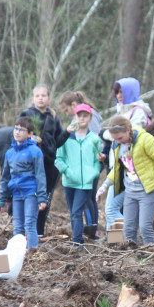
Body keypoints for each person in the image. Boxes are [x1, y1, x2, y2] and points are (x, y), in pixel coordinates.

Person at [97, 115, 154, 245]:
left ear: (128, 130)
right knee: (127, 228)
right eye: (115, 139)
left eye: (120, 138)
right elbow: (118, 168)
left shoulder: (144, 139)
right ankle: (122, 248)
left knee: (144, 227)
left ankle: (150, 252)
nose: (118, 141)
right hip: (129, 190)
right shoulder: (118, 145)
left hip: (147, 189)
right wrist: (105, 185)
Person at [20, 84, 69, 237]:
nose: (40, 98)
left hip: (49, 163)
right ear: (32, 99)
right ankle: (25, 229)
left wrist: (68, 132)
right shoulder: (27, 114)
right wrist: (31, 140)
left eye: (43, 95)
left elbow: (58, 141)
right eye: (37, 96)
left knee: (45, 197)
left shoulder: (53, 116)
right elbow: (17, 135)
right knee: (30, 195)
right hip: (31, 163)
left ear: (49, 98)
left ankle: (39, 230)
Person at [55, 104, 102, 246]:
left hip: (85, 183)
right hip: (69, 181)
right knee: (73, 212)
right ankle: (78, 239)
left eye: (85, 116)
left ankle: (77, 242)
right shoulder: (66, 137)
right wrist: (67, 171)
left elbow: (98, 161)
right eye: (79, 115)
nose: (82, 118)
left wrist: (93, 173)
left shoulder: (94, 139)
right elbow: (58, 159)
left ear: (90, 118)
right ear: (75, 117)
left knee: (76, 211)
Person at [0, 117, 47, 249]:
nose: (17, 132)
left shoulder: (35, 151)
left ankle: (32, 252)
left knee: (29, 224)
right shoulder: (9, 153)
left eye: (21, 130)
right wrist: (1, 199)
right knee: (18, 226)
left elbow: (40, 175)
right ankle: (18, 253)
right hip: (16, 194)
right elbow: (5, 177)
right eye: (16, 128)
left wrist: (42, 198)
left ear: (30, 134)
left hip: (31, 193)